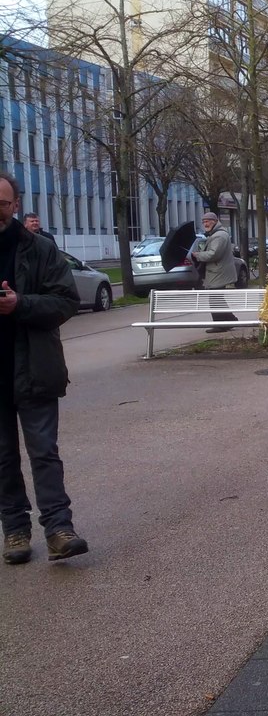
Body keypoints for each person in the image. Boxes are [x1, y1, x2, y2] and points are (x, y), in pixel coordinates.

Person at [0, 173, 87, 565]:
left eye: (2, 203)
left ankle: (58, 528)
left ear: (16, 205)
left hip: (35, 365)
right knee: (2, 457)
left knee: (44, 453)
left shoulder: (40, 249)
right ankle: (15, 530)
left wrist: (20, 304)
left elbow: (65, 301)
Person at [190, 212, 238, 334]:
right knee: (218, 297)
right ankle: (231, 319)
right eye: (203, 222)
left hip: (218, 271)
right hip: (217, 271)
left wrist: (198, 255)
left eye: (207, 221)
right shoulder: (216, 234)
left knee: (214, 298)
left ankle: (220, 324)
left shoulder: (219, 236)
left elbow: (214, 254)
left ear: (214, 221)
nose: (205, 224)